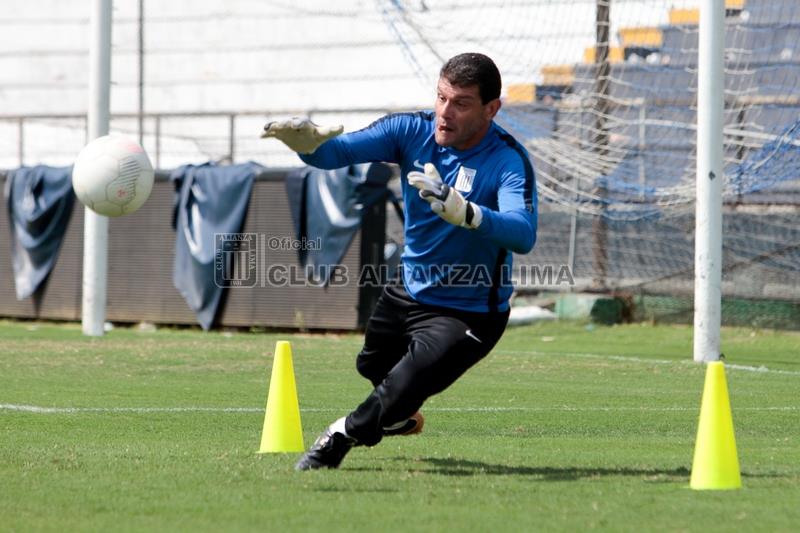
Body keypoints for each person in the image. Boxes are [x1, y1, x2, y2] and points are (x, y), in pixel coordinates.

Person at [261, 52, 538, 470]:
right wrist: (308, 147)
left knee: (405, 381)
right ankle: (397, 415)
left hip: (469, 312)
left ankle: (338, 437)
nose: (444, 112)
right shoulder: (409, 130)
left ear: (491, 109)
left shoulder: (507, 160)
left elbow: (523, 233)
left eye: (461, 103)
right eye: (441, 97)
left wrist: (469, 214)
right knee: (372, 365)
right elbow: (335, 154)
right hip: (408, 290)